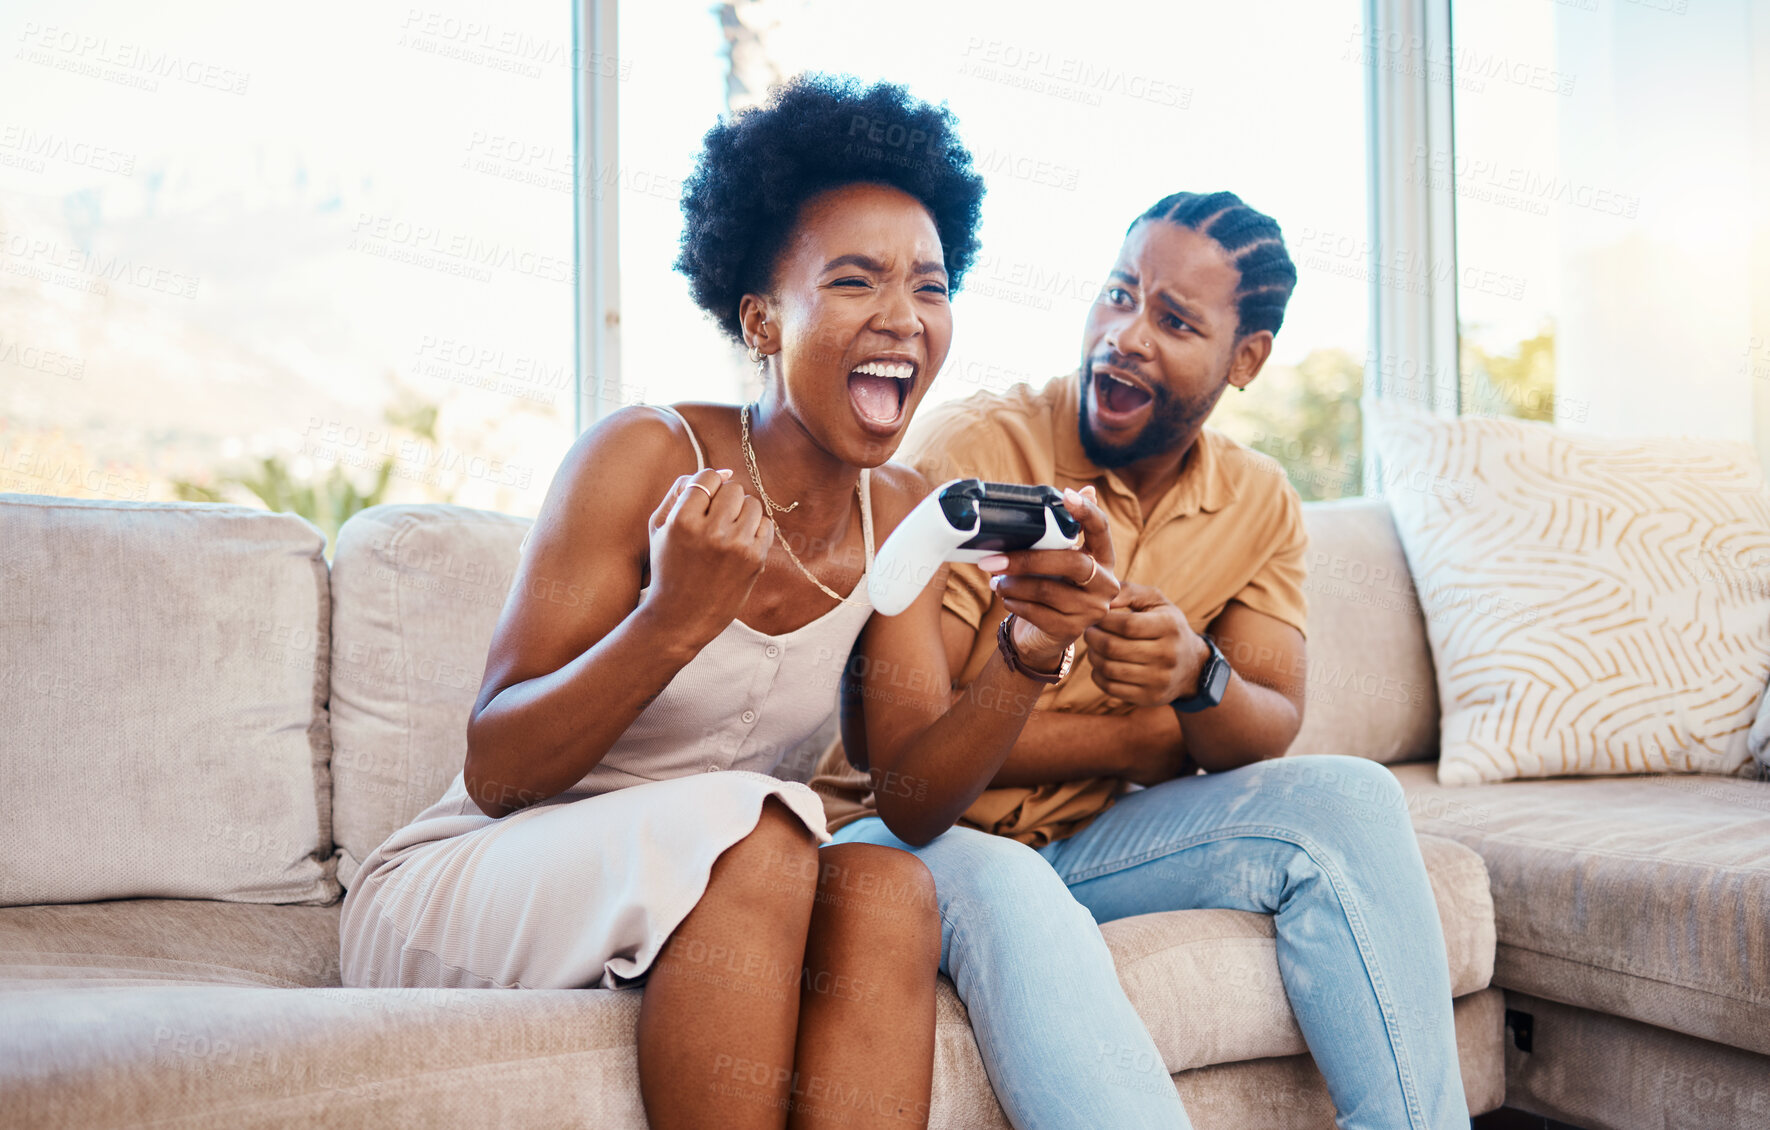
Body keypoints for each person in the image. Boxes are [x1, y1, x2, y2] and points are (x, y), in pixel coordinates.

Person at [338, 75, 1124, 1130]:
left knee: (890, 889)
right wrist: (672, 617)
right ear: (762, 317)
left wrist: (1027, 655)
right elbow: (499, 770)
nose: (904, 317)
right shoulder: (644, 454)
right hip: (484, 878)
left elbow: (910, 797)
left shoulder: (899, 511)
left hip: (725, 879)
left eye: (931, 288)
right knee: (760, 828)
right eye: (855, 281)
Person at [813, 191, 1471, 1129]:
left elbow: (1269, 724)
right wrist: (1143, 738)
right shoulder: (974, 453)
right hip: (906, 836)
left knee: (1352, 798)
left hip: (1084, 843)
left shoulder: (1258, 499)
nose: (1126, 335)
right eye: (1119, 295)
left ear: (1246, 359)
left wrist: (1197, 674)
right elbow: (912, 764)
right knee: (1012, 882)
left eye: (1173, 320)